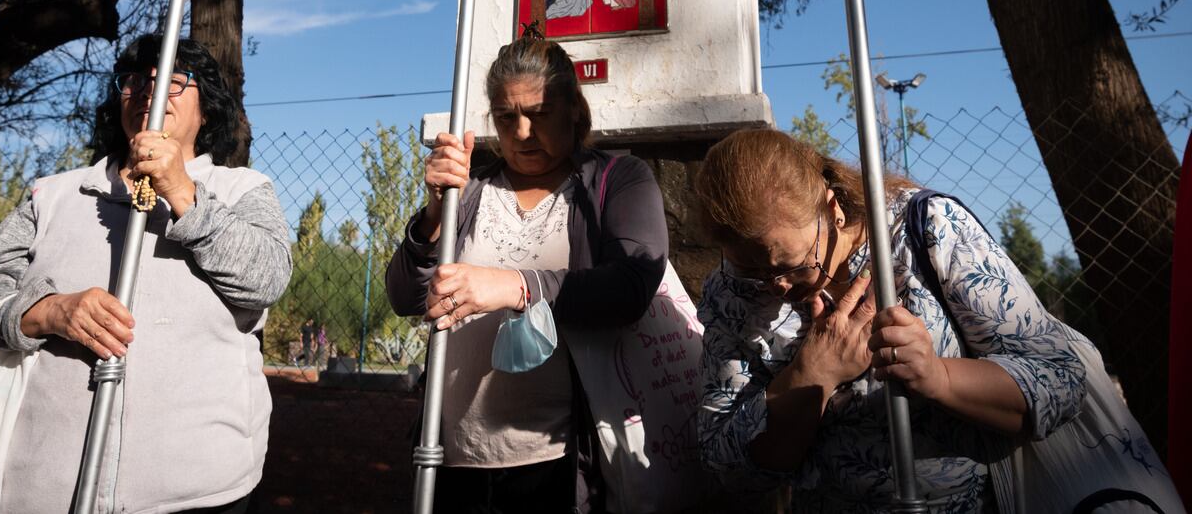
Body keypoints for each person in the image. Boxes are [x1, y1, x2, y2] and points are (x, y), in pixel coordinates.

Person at [0, 35, 292, 514]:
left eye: (173, 80)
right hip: (46, 490)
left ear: (206, 111)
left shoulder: (241, 190)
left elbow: (266, 278)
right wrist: (45, 312)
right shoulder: (53, 196)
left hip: (198, 493)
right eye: (134, 82)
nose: (151, 90)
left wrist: (184, 193)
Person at [693, 128, 1086, 512]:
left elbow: (1060, 379)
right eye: (751, 270)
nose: (775, 286)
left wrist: (937, 377)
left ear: (833, 212)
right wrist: (812, 375)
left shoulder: (926, 230)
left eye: (791, 266)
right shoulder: (733, 292)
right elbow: (728, 467)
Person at [385, 31, 668, 513]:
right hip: (455, 456)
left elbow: (630, 286)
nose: (520, 131)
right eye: (505, 116)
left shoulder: (618, 180)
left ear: (574, 109)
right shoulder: (471, 189)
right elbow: (406, 297)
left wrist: (515, 286)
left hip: (558, 460)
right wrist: (434, 215)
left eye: (539, 114)